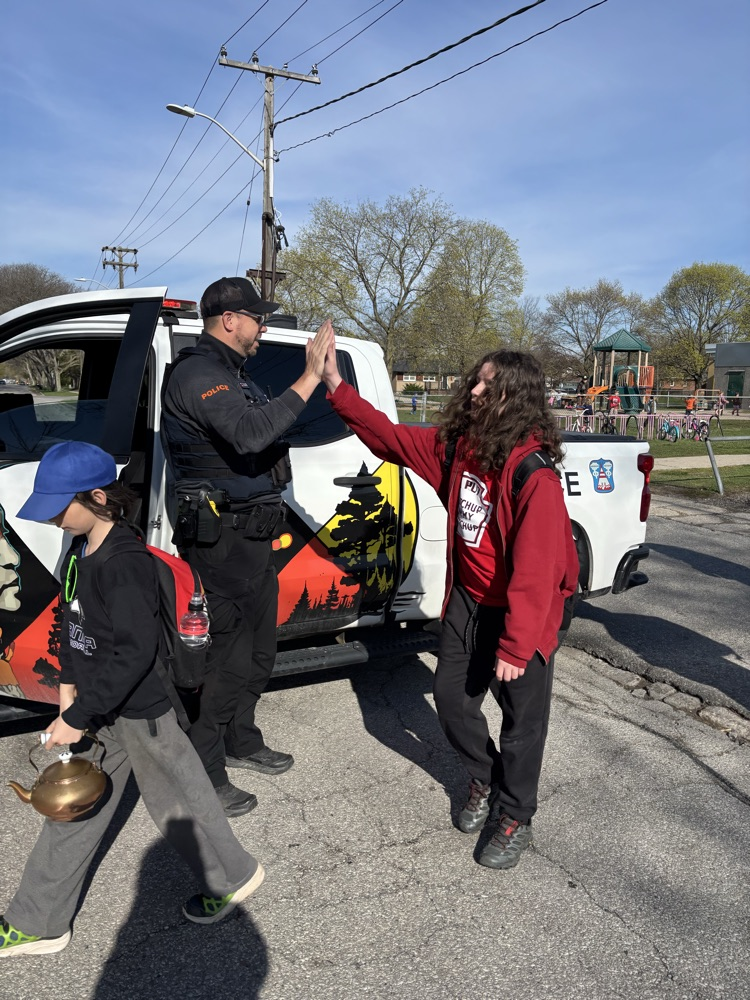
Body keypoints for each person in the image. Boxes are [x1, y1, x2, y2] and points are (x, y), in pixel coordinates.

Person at [0, 442, 264, 958]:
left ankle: (232, 876)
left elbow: (135, 652)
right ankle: (37, 922)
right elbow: (74, 628)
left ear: (97, 497)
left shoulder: (125, 563)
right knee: (74, 808)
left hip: (142, 712)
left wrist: (77, 716)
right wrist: (68, 699)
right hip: (98, 708)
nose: (52, 517)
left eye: (60, 505)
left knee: (179, 806)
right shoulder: (78, 551)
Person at [323, 346, 578, 870]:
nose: (476, 392)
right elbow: (391, 438)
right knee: (451, 697)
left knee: (521, 721)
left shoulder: (534, 474)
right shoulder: (459, 448)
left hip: (522, 612)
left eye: (489, 386)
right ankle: (485, 779)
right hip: (470, 598)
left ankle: (515, 813)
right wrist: (334, 385)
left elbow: (539, 568)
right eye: (476, 382)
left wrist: (516, 643)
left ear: (517, 400)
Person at [160, 277, 333, 817]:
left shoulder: (234, 375)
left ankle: (242, 739)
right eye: (258, 318)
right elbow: (252, 434)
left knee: (259, 652)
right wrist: (309, 376)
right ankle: (204, 769)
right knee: (223, 660)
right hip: (220, 542)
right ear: (229, 319)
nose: (264, 328)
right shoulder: (198, 374)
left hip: (253, 538)